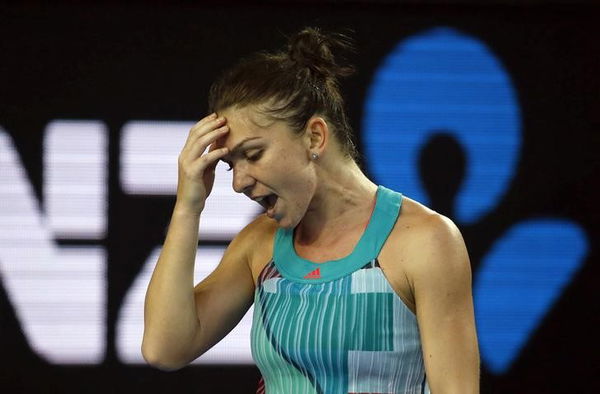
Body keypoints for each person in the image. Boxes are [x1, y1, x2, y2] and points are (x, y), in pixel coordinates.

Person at [142, 27, 479, 393]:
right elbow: (165, 348)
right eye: (231, 165)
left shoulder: (426, 241)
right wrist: (188, 208)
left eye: (253, 155)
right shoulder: (259, 245)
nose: (238, 182)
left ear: (315, 136)